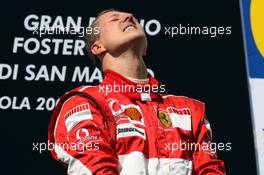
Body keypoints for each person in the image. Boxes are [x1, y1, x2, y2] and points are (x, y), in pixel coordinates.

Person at [48, 9, 225, 175]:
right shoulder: (86, 101)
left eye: (133, 19)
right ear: (97, 47)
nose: (129, 16)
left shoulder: (189, 110)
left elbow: (210, 170)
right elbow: (96, 169)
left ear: (145, 47)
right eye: (115, 19)